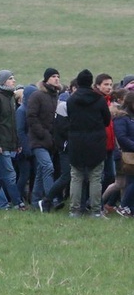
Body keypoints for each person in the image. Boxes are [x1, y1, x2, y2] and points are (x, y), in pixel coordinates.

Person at [66, 69, 111, 217]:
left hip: (76, 141)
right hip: (96, 142)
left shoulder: (71, 99)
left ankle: (74, 210)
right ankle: (96, 210)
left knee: (76, 177)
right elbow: (106, 120)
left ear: (78, 82)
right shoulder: (99, 100)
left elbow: (69, 118)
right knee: (95, 177)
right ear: (92, 82)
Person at [0, 70, 26, 210]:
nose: (13, 81)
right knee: (10, 174)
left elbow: (12, 123)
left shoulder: (10, 98)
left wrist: (17, 143)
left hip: (9, 143)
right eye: (10, 78)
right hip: (0, 144)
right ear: (3, 81)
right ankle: (18, 203)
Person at [26, 68, 61, 209]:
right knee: (48, 167)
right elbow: (31, 116)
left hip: (51, 141)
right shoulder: (37, 95)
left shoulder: (56, 96)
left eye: (58, 76)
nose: (56, 78)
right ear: (46, 79)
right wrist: (42, 133)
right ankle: (51, 200)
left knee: (42, 171)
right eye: (53, 76)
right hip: (38, 140)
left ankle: (35, 202)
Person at [112, 91, 134, 216]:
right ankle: (124, 205)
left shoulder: (131, 118)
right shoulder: (122, 117)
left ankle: (130, 208)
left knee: (131, 181)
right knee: (128, 182)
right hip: (127, 154)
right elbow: (121, 137)